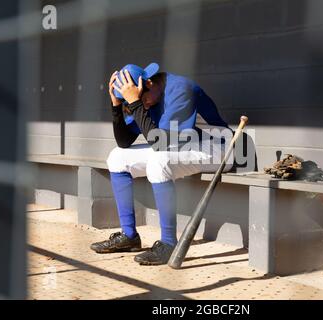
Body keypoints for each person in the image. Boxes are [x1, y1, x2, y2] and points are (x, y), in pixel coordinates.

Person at [90, 62, 233, 265]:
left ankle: (168, 244)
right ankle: (129, 236)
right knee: (117, 157)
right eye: (132, 103)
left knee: (159, 161)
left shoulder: (180, 88)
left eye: (141, 99)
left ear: (149, 82)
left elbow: (159, 144)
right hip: (182, 145)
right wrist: (116, 106)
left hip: (219, 147)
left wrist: (136, 102)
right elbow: (124, 142)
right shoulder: (146, 98)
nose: (143, 105)